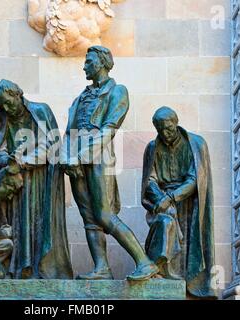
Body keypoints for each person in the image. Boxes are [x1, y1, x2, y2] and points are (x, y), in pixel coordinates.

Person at [61, 45, 158, 281]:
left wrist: (81, 155)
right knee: (89, 218)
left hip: (98, 158)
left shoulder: (117, 92)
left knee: (104, 215)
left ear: (103, 63)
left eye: (89, 61)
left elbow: (108, 130)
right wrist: (65, 158)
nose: (84, 65)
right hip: (75, 162)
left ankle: (144, 262)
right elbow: (68, 133)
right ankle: (102, 268)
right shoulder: (80, 98)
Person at [0, 79, 73, 279]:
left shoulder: (40, 111)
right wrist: (5, 159)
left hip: (41, 180)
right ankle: (21, 269)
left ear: (18, 94)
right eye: (2, 105)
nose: (6, 108)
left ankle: (42, 269)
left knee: (40, 223)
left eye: (8, 102)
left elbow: (52, 146)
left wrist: (23, 160)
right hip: (16, 182)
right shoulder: (6, 120)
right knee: (19, 224)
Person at [141, 106, 217, 298]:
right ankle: (161, 273)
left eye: (168, 128)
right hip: (162, 199)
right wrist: (161, 199)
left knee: (190, 245)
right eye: (160, 130)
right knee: (165, 224)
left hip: (189, 200)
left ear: (176, 123)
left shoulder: (196, 144)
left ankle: (191, 289)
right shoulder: (152, 147)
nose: (165, 134)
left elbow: (195, 179)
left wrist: (171, 198)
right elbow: (149, 180)